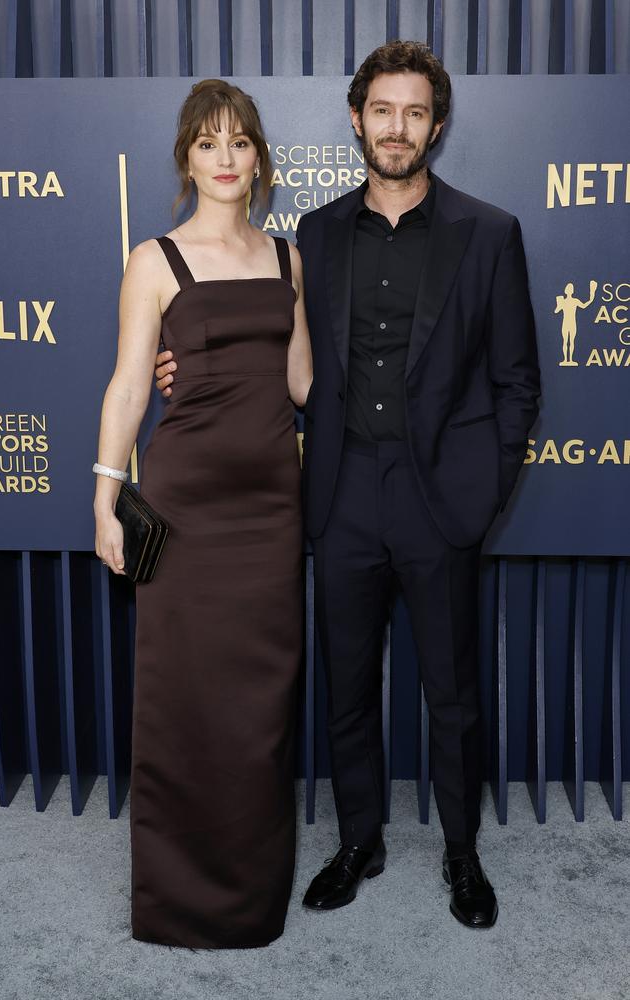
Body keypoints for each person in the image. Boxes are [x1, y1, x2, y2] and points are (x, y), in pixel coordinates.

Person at [155, 42, 541, 931]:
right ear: (356, 119)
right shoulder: (314, 238)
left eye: (414, 112)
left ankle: (460, 851)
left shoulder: (489, 233)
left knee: (452, 690)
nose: (396, 127)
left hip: (441, 499)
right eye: (381, 110)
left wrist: (483, 493)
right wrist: (192, 367)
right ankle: (359, 840)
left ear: (435, 126)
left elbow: (518, 380)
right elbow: (268, 352)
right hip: (337, 493)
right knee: (347, 685)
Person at [94, 79, 312, 949]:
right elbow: (126, 385)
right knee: (182, 702)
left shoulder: (288, 259)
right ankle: (179, 900)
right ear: (187, 157)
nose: (226, 160)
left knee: (259, 709)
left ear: (260, 158)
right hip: (186, 507)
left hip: (270, 510)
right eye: (209, 143)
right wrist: (104, 501)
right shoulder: (154, 260)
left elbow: (302, 383)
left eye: (241, 143)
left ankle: (251, 898)